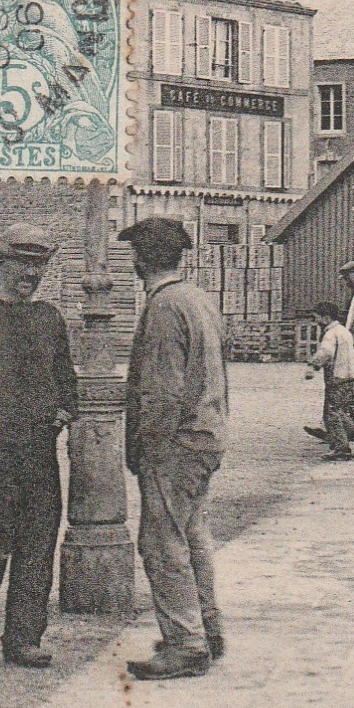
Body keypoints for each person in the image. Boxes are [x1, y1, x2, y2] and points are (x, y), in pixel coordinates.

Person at [0, 223, 77, 669]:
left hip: (39, 451)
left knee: (38, 542)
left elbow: (65, 375)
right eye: (23, 263)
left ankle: (24, 638)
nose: (31, 273)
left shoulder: (49, 317)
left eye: (39, 265)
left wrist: (66, 409)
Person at [120, 218, 229, 682]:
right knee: (192, 536)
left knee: (162, 543)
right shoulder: (199, 299)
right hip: (205, 435)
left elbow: (162, 391)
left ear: (140, 260)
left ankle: (186, 644)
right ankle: (206, 629)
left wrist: (149, 447)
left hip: (176, 443)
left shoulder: (164, 306)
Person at [305, 301, 354, 459]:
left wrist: (313, 366)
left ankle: (341, 448)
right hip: (349, 377)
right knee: (339, 411)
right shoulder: (344, 331)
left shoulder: (330, 333)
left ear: (327, 317)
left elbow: (326, 353)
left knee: (332, 413)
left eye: (318, 318)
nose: (316, 321)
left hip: (337, 378)